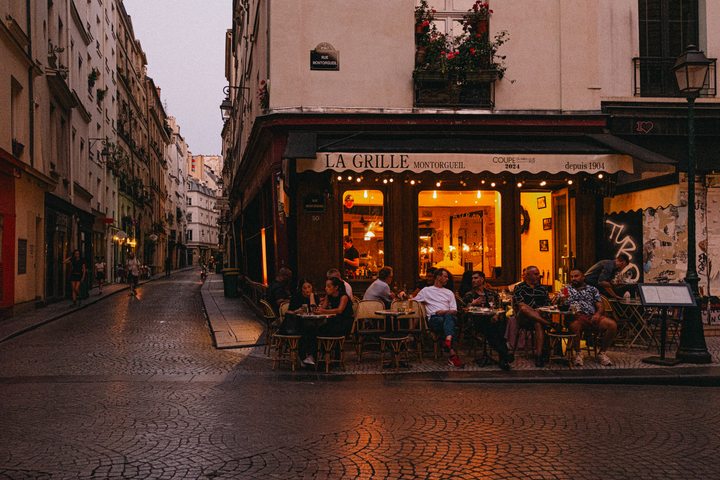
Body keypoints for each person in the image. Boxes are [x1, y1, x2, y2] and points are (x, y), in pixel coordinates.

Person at [413, 268, 464, 368]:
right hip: (434, 319)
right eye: (445, 276)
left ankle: (449, 345)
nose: (447, 279)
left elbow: (454, 310)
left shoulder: (449, 293)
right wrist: (402, 295)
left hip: (447, 317)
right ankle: (450, 343)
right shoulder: (426, 290)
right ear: (438, 277)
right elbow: (413, 301)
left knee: (449, 317)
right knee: (449, 322)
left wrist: (444, 312)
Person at [565, 269, 617, 366]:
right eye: (571, 277)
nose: (573, 279)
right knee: (574, 325)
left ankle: (602, 353)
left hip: (591, 316)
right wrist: (560, 300)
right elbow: (560, 304)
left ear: (583, 277)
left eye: (576, 276)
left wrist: (597, 314)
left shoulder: (592, 289)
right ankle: (578, 353)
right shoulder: (566, 289)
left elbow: (600, 306)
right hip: (576, 317)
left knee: (612, 325)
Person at [463, 271, 513, 370]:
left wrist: (496, 315)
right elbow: (463, 310)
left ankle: (503, 358)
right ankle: (504, 354)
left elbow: (499, 308)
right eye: (472, 278)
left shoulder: (492, 293)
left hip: (492, 320)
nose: (473, 280)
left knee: (498, 325)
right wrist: (473, 303)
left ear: (482, 279)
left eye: (476, 278)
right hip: (476, 321)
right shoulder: (469, 294)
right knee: (493, 329)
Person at [301, 276, 355, 368]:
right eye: (326, 286)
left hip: (344, 322)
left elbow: (339, 310)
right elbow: (323, 308)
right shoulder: (328, 296)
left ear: (336, 287)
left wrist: (323, 311)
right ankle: (315, 356)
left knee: (322, 330)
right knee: (314, 330)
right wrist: (318, 309)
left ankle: (323, 356)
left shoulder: (344, 296)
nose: (326, 288)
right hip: (334, 320)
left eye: (329, 286)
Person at [513, 265, 558, 367]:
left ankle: (538, 355)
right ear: (528, 275)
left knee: (538, 323)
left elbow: (548, 304)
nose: (539, 276)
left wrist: (552, 303)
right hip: (523, 317)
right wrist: (533, 311)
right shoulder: (519, 287)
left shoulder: (542, 288)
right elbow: (520, 304)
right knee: (524, 308)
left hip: (539, 317)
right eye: (536, 274)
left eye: (538, 274)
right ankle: (549, 324)